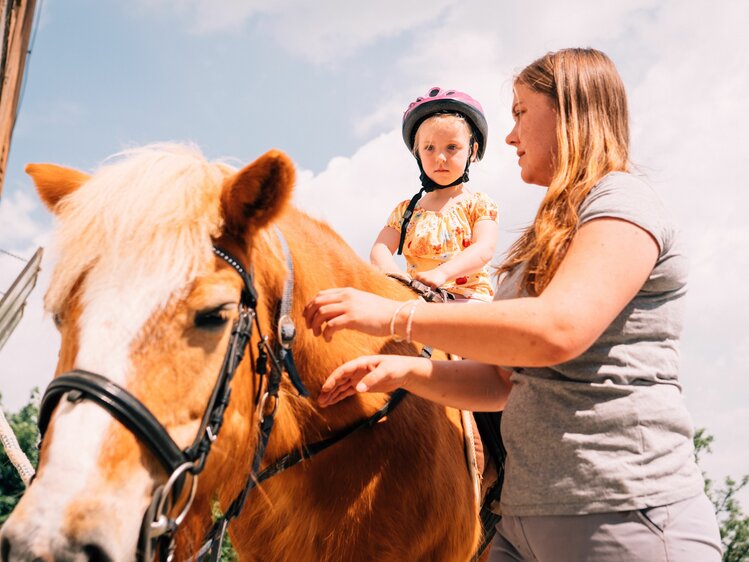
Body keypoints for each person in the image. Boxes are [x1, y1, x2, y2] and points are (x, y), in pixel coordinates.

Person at [304, 48, 721, 561]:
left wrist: (394, 316)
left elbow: (555, 330)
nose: (509, 135)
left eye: (521, 112)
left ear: (569, 111)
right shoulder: (541, 236)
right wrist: (397, 372)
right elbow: (501, 382)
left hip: (621, 510)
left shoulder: (622, 202)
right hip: (523, 524)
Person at [370, 87, 499, 302]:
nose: (440, 157)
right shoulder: (406, 212)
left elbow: (485, 248)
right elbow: (380, 250)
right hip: (420, 299)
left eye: (451, 147)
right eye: (429, 148)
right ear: (417, 153)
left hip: (467, 301)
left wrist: (442, 273)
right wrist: (396, 277)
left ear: (472, 151)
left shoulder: (478, 204)